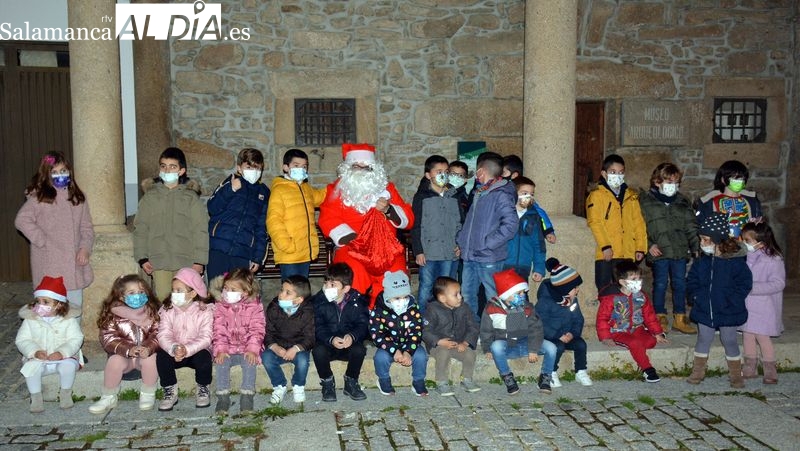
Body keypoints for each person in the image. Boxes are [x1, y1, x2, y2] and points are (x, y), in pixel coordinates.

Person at [319, 143, 414, 307]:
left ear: (374, 168)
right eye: (356, 166)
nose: (361, 170)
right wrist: (355, 240)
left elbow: (409, 219)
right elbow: (328, 218)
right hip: (351, 246)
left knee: (395, 278)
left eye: (366, 167)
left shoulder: (387, 189)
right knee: (351, 276)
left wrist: (389, 209)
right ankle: (353, 320)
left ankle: (387, 320)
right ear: (348, 167)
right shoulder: (336, 190)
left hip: (386, 248)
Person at [15, 151, 94, 309]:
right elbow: (22, 220)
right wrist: (42, 240)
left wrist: (85, 248)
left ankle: (72, 334)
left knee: (74, 307)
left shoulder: (78, 198)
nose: (60, 175)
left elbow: (87, 227)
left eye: (63, 171)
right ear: (46, 174)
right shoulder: (39, 197)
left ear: (69, 172)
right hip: (49, 263)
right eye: (54, 172)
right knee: (49, 309)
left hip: (73, 264)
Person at [686, 212, 753, 388]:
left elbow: (744, 284)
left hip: (728, 308)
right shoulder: (702, 261)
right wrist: (695, 296)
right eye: (701, 238)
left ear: (718, 240)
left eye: (706, 239)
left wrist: (733, 300)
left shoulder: (736, 262)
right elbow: (692, 279)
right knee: (703, 338)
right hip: (705, 307)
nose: (702, 243)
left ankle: (735, 374)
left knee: (729, 339)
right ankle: (698, 371)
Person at [133, 147, 209, 298]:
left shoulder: (190, 198)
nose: (167, 170)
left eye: (172, 167)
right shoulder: (150, 197)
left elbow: (200, 230)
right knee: (164, 300)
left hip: (185, 260)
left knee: (185, 302)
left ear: (181, 171)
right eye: (163, 166)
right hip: (159, 261)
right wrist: (142, 257)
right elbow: (141, 228)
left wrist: (199, 261)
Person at [457, 152, 518, 321]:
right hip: (470, 255)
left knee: (493, 297)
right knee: (468, 296)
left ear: (481, 172)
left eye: (477, 171)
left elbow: (511, 225)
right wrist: (462, 241)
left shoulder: (501, 194)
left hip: (488, 256)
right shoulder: (480, 192)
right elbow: (471, 223)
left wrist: (487, 243)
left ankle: (496, 333)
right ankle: (472, 331)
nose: (476, 175)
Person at [638, 163, 698, 334]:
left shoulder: (682, 202)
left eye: (676, 182)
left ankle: (680, 317)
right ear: (657, 181)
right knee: (661, 284)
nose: (673, 185)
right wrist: (648, 245)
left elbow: (691, 226)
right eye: (668, 181)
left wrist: (696, 246)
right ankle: (659, 315)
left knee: (680, 283)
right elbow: (640, 226)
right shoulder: (646, 202)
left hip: (679, 250)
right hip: (660, 251)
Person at [89, 275, 160, 414]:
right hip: (124, 356)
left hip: (144, 356)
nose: (137, 296)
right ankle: (108, 396)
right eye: (132, 293)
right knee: (114, 361)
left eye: (141, 292)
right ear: (121, 296)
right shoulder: (113, 314)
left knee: (152, 359)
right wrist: (127, 349)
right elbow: (108, 338)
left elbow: (158, 333)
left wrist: (148, 348)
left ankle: (148, 394)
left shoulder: (152, 311)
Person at [481, 269, 557, 395]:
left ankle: (545, 377)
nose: (523, 295)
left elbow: (536, 329)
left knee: (551, 347)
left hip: (525, 343)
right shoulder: (492, 308)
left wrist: (533, 349)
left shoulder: (527, 307)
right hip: (507, 346)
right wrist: (487, 348)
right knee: (496, 346)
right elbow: (485, 330)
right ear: (507, 294)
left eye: (523, 292)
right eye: (519, 292)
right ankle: (507, 377)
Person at [15, 276, 83, 413]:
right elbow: (22, 340)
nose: (40, 305)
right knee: (31, 370)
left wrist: (62, 352)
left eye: (46, 302)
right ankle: (36, 398)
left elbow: (76, 338)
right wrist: (34, 351)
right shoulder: (31, 319)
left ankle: (65, 394)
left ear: (59, 304)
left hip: (64, 357)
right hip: (39, 358)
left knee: (68, 367)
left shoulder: (68, 320)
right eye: (38, 301)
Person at [596, 261, 667, 383]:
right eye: (634, 279)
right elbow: (602, 318)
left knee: (651, 341)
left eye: (639, 278)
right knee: (635, 343)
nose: (638, 281)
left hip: (636, 329)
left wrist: (657, 332)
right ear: (622, 282)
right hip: (618, 331)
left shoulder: (641, 296)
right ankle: (647, 369)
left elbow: (649, 316)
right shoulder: (611, 299)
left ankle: (638, 351)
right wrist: (606, 337)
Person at [585, 154, 647, 291]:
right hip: (607, 253)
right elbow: (595, 222)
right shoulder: (597, 195)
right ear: (604, 173)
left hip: (627, 251)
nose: (617, 175)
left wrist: (640, 246)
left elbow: (638, 222)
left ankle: (626, 312)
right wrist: (605, 246)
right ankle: (607, 312)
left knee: (626, 288)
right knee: (605, 288)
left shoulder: (631, 196)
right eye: (613, 172)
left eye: (620, 172)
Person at [207, 148, 270, 280]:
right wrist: (230, 189)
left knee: (239, 292)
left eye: (257, 168)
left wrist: (257, 258)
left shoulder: (263, 192)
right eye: (249, 167)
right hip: (219, 247)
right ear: (239, 168)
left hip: (243, 252)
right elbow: (213, 207)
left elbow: (261, 228)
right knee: (216, 290)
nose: (253, 171)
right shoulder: (230, 182)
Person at [156, 267, 213, 411]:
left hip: (195, 350)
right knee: (161, 356)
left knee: (204, 357)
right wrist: (174, 348)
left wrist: (187, 349)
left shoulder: (204, 311)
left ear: (193, 293)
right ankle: (169, 390)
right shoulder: (167, 310)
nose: (175, 294)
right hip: (174, 351)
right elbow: (163, 333)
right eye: (173, 290)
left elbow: (206, 336)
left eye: (179, 291)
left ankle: (203, 387)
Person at [411, 155, 463, 312]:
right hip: (429, 252)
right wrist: (418, 250)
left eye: (446, 171)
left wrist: (461, 244)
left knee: (448, 289)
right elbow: (417, 225)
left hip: (449, 251)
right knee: (426, 287)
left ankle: (446, 322)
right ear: (428, 175)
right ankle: (422, 322)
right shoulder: (421, 197)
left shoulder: (454, 196)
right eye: (438, 171)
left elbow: (460, 223)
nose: (443, 174)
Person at [310, 263, 369, 402]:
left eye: (333, 284)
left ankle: (351, 381)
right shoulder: (318, 301)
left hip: (347, 344)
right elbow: (317, 326)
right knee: (318, 351)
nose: (327, 287)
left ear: (346, 288)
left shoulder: (358, 301)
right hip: (328, 343)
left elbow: (363, 325)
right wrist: (330, 339)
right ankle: (327, 382)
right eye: (326, 283)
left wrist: (352, 336)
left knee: (359, 350)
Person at [211, 268, 265, 414]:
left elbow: (257, 330)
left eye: (233, 289)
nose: (227, 292)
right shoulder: (220, 306)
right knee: (221, 362)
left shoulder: (255, 307)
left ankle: (247, 396)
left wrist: (252, 350)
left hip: (247, 347)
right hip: (227, 348)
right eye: (226, 288)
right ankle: (223, 397)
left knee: (249, 362)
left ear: (245, 292)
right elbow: (218, 329)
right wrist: (221, 350)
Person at [266, 148, 327, 279]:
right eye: (296, 165)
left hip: (305, 252)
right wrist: (286, 245)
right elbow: (273, 220)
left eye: (304, 166)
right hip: (289, 254)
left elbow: (321, 197)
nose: (301, 169)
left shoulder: (306, 188)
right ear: (286, 167)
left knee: (301, 293)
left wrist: (338, 186)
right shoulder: (279, 190)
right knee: (292, 291)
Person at [535, 259, 593, 388]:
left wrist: (572, 334)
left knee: (581, 344)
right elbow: (539, 323)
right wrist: (558, 335)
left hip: (567, 335)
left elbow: (578, 319)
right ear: (564, 289)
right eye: (575, 288)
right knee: (558, 347)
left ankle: (580, 371)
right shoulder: (545, 301)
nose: (577, 290)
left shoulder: (572, 301)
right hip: (548, 336)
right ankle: (550, 372)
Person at [740, 221, 785, 384]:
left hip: (764, 306)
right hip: (747, 305)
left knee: (763, 337)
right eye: (743, 239)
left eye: (747, 240)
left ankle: (770, 369)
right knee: (747, 335)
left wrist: (753, 288)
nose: (744, 243)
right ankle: (749, 367)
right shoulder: (744, 256)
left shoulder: (774, 259)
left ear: (761, 242)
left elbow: (778, 283)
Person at [370, 270, 428, 396]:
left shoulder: (412, 308)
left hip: (408, 345)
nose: (402, 301)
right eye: (397, 298)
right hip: (388, 346)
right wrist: (394, 350)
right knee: (380, 358)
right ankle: (383, 380)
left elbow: (416, 331)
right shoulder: (379, 310)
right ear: (388, 297)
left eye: (405, 297)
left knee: (421, 356)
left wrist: (408, 351)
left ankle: (418, 381)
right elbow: (377, 335)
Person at [422, 277, 481, 396]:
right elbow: (425, 331)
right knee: (443, 353)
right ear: (442, 298)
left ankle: (467, 379)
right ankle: (441, 382)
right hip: (438, 345)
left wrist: (466, 342)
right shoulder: (432, 309)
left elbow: (473, 327)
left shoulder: (464, 307)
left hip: (458, 343)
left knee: (470, 353)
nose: (460, 297)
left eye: (460, 293)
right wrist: (438, 341)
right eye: (456, 294)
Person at [262, 275, 315, 405]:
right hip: (278, 347)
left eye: (287, 292)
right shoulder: (274, 308)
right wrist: (274, 346)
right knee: (266, 358)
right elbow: (268, 332)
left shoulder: (307, 312)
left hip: (298, 347)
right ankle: (279, 385)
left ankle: (298, 385)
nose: (281, 294)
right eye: (281, 290)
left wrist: (296, 348)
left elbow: (310, 337)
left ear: (298, 300)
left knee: (303, 361)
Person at [504, 177, 556, 282]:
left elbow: (538, 245)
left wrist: (539, 268)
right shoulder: (504, 213)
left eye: (531, 194)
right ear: (513, 193)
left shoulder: (534, 216)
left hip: (523, 267)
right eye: (524, 193)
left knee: (521, 297)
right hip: (503, 265)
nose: (528, 196)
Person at [696, 160, 762, 238]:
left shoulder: (751, 200)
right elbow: (701, 227)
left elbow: (759, 224)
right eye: (735, 178)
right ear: (723, 179)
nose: (740, 182)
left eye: (742, 179)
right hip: (721, 245)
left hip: (746, 244)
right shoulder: (710, 202)